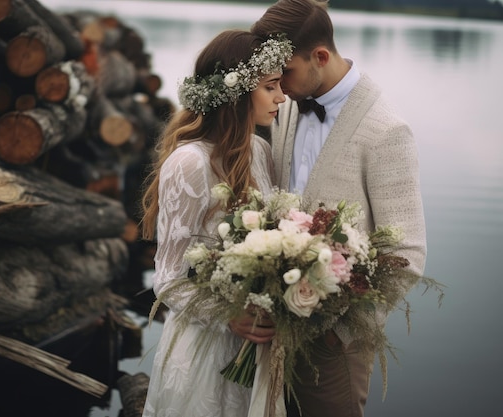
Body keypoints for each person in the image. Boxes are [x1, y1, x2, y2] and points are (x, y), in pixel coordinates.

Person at [250, 1, 427, 416]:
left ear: (321, 57)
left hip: (335, 348)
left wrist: (339, 330)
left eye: (286, 72)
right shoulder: (287, 104)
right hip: (271, 329)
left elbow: (409, 256)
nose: (278, 84)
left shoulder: (388, 131)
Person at [140, 29, 293, 417]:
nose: (282, 96)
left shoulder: (259, 150)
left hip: (256, 350)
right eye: (271, 86)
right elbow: (168, 278)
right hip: (204, 350)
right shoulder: (190, 162)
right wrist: (229, 317)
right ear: (239, 93)